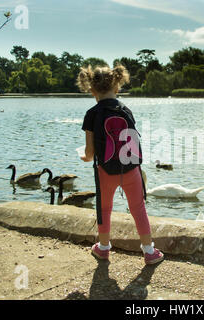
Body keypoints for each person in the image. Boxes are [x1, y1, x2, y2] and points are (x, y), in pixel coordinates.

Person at [77, 64, 164, 265]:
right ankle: (149, 251)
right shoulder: (126, 110)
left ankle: (104, 248)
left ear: (92, 90)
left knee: (104, 207)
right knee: (138, 208)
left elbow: (90, 153)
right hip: (131, 168)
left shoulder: (91, 114)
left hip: (105, 171)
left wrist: (85, 157)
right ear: (117, 87)